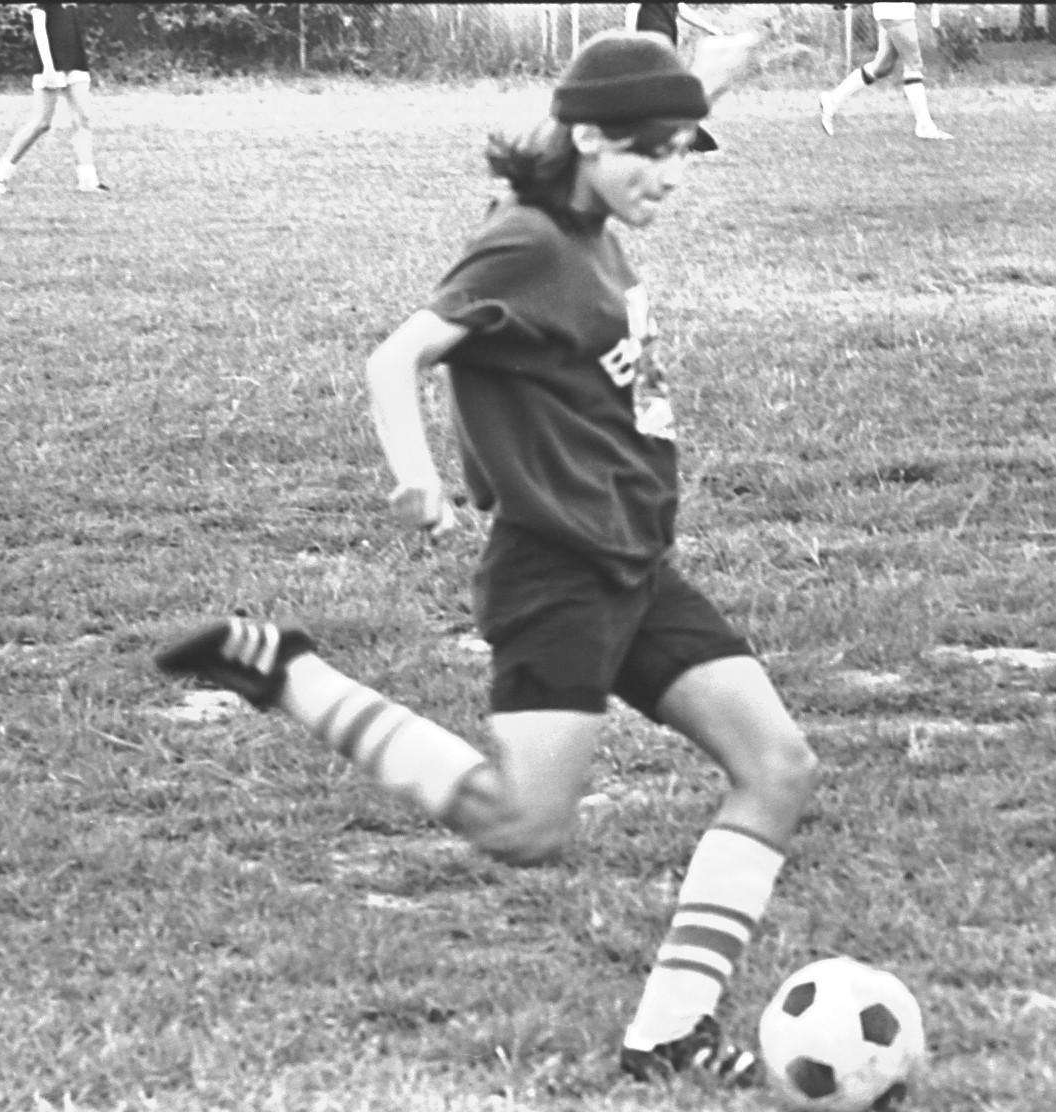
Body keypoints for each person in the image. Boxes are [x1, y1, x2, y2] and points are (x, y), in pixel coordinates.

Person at [155, 29, 817, 1089]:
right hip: (557, 571)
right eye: (655, 153)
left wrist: (720, 74)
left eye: (686, 152)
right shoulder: (530, 243)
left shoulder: (588, 216)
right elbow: (398, 353)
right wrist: (415, 471)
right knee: (524, 826)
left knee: (776, 767)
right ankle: (287, 671)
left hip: (635, 566)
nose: (672, 177)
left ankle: (670, 1031)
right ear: (591, 139)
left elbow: (617, 118)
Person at [0, 1, 109, 195]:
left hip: (75, 62)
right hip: (51, 66)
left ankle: (88, 182)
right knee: (41, 123)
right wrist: (48, 69)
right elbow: (39, 30)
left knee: (83, 119)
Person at [818, 3, 953, 141]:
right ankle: (925, 126)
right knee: (914, 64)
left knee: (883, 66)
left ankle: (832, 100)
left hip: (893, 9)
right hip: (896, 10)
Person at [626, 3, 724, 152]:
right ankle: (688, 139)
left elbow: (679, 7)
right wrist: (631, 39)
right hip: (649, 42)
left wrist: (708, 27)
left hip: (666, 43)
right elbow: (633, 7)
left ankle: (679, 137)